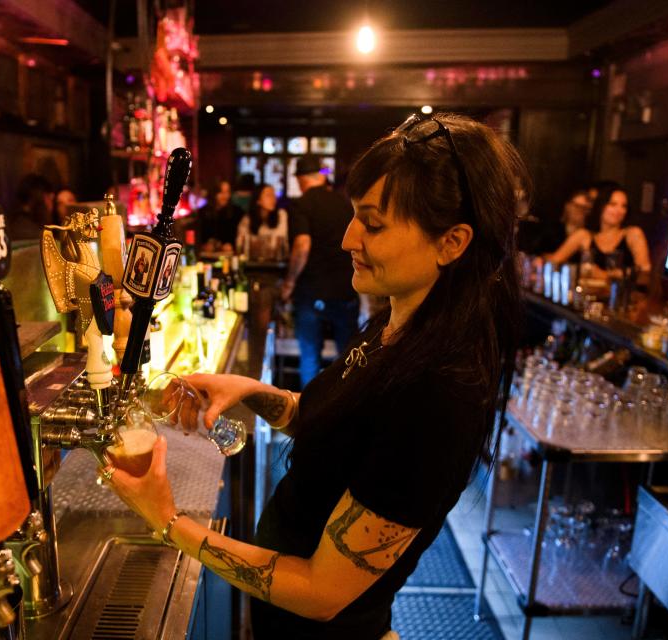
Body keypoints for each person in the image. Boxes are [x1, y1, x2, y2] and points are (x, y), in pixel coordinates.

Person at [105, 113, 525, 640]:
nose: (349, 238)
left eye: (373, 224)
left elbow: (323, 593)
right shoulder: (398, 324)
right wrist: (253, 391)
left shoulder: (438, 394)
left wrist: (169, 521)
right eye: (355, 216)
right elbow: (336, 423)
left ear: (452, 242)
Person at [282, 155, 358, 388]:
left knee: (310, 357)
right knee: (348, 360)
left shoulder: (301, 204)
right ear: (321, 176)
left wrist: (289, 283)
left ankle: (310, 416)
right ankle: (343, 410)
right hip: (346, 290)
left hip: (312, 292)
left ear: (301, 179)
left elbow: (302, 246)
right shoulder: (345, 203)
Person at [546, 185, 651, 279]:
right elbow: (554, 261)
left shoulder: (632, 233)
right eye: (612, 204)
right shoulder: (584, 235)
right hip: (588, 295)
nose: (619, 210)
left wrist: (605, 275)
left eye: (624, 206)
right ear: (601, 206)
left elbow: (645, 272)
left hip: (621, 296)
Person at [236, 184, 289, 259]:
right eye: (268, 195)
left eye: (274, 195)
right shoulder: (248, 219)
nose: (273, 199)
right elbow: (240, 244)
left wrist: (256, 243)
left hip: (276, 262)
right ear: (258, 200)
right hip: (254, 263)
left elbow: (277, 243)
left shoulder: (281, 215)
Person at [198, 179, 243, 252]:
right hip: (207, 256)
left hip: (230, 255)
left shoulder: (237, 212)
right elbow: (199, 238)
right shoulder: (203, 212)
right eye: (221, 192)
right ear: (214, 193)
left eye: (227, 192)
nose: (226, 196)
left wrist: (231, 246)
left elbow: (239, 238)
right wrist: (204, 246)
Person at [10, 173, 55, 240]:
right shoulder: (36, 235)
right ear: (43, 197)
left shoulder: (15, 223)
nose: (51, 206)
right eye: (50, 199)